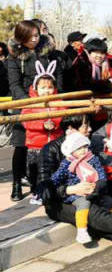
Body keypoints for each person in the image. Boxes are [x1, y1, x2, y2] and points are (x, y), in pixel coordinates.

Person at [37, 115, 112, 250]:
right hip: (59, 202)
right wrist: (70, 190)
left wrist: (96, 186)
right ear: (70, 129)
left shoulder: (87, 149)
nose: (89, 129)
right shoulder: (50, 149)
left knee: (96, 215)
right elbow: (44, 187)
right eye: (85, 126)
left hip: (89, 195)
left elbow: (102, 171)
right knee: (90, 212)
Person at [7, 20, 64, 201]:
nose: (34, 39)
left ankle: (49, 182)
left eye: (37, 35)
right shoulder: (14, 56)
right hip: (25, 102)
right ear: (21, 37)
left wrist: (55, 97)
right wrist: (29, 103)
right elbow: (14, 84)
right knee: (21, 143)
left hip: (48, 98)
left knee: (51, 142)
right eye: (30, 36)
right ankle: (17, 182)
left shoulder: (48, 52)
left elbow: (57, 76)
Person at [51, 133, 110, 244]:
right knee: (83, 203)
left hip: (93, 189)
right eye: (78, 148)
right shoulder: (67, 163)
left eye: (85, 147)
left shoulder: (92, 159)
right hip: (76, 194)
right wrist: (54, 185)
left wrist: (99, 185)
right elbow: (56, 178)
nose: (83, 150)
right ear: (71, 151)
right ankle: (82, 231)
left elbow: (101, 174)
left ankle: (111, 220)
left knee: (108, 201)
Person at [22, 61, 65, 204]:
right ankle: (36, 192)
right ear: (36, 88)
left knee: (53, 169)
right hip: (36, 144)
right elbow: (26, 121)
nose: (46, 91)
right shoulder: (31, 103)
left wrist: (55, 123)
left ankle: (51, 192)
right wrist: (42, 125)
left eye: (50, 87)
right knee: (34, 171)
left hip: (53, 143)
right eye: (43, 88)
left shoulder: (58, 102)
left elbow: (63, 114)